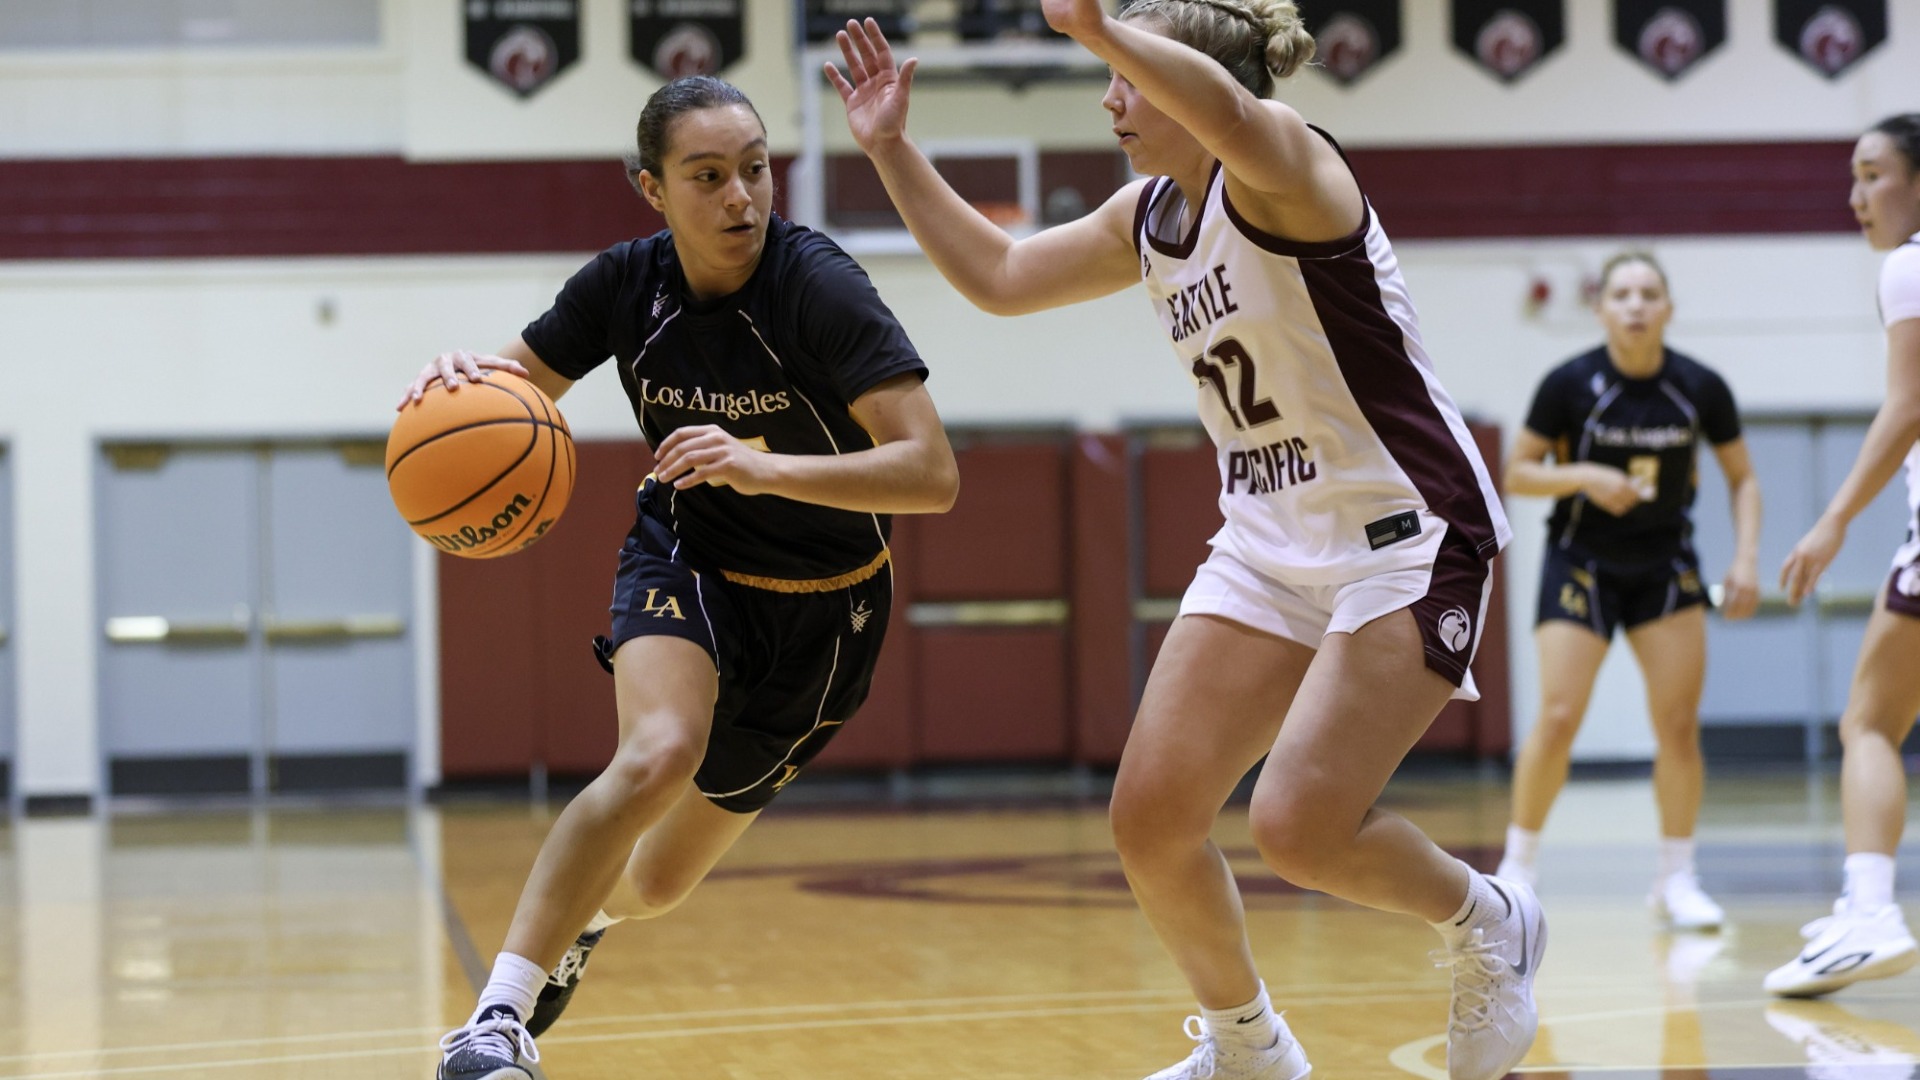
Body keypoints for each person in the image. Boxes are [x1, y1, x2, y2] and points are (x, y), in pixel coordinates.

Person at [830, 3, 1539, 1077]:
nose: (1110, 98)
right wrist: (891, 148)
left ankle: (1489, 920)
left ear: (1191, 84)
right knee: (1152, 821)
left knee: (1299, 828)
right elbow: (1003, 279)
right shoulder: (1149, 215)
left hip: (1406, 530)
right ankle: (1249, 1044)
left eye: (1126, 77)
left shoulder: (1291, 167)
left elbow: (1235, 116)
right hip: (1267, 540)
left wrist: (1102, 28)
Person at [408, 75, 959, 1080]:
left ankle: (590, 922)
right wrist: (460, 385)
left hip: (825, 612)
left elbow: (933, 474)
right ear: (651, 188)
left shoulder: (818, 288)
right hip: (687, 555)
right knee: (657, 750)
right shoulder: (624, 286)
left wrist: (762, 463)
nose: (741, 196)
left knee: (657, 883)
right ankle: (497, 1022)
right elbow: (510, 391)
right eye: (708, 176)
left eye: (754, 169)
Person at [1492, 252, 1763, 932]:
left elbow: (1742, 478)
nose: (1636, 305)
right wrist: (1583, 474)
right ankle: (1518, 869)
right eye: (1622, 293)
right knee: (1558, 716)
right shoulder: (1569, 383)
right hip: (1580, 560)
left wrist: (1749, 558)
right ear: (1601, 308)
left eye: (1649, 293)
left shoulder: (1700, 387)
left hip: (1665, 565)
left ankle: (1677, 878)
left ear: (1668, 308)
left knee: (1676, 726)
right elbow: (1517, 473)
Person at [1766, 113, 1920, 999]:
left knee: (1868, 722)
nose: (1857, 198)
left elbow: (1907, 408)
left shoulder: (1907, 267)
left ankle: (1872, 911)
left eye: (1873, 175)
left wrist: (1829, 521)